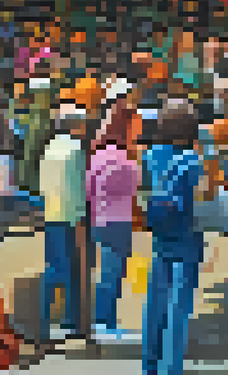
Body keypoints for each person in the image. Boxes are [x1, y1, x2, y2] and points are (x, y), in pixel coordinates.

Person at [139, 99, 205, 375]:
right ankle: (171, 367)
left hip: (160, 235)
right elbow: (202, 200)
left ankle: (150, 364)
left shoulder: (151, 156)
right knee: (179, 308)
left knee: (156, 303)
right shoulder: (193, 161)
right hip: (186, 237)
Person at [87, 80, 142, 343]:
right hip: (120, 222)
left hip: (99, 219)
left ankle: (103, 320)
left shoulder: (97, 156)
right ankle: (104, 322)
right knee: (114, 273)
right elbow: (135, 190)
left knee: (106, 273)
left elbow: (88, 189)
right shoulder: (127, 158)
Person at [38, 109, 89, 342]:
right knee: (72, 271)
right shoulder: (75, 150)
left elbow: (43, 185)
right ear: (75, 125)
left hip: (51, 213)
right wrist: (80, 220)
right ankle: (71, 321)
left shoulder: (49, 148)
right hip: (69, 216)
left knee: (53, 267)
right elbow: (77, 188)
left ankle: (44, 318)